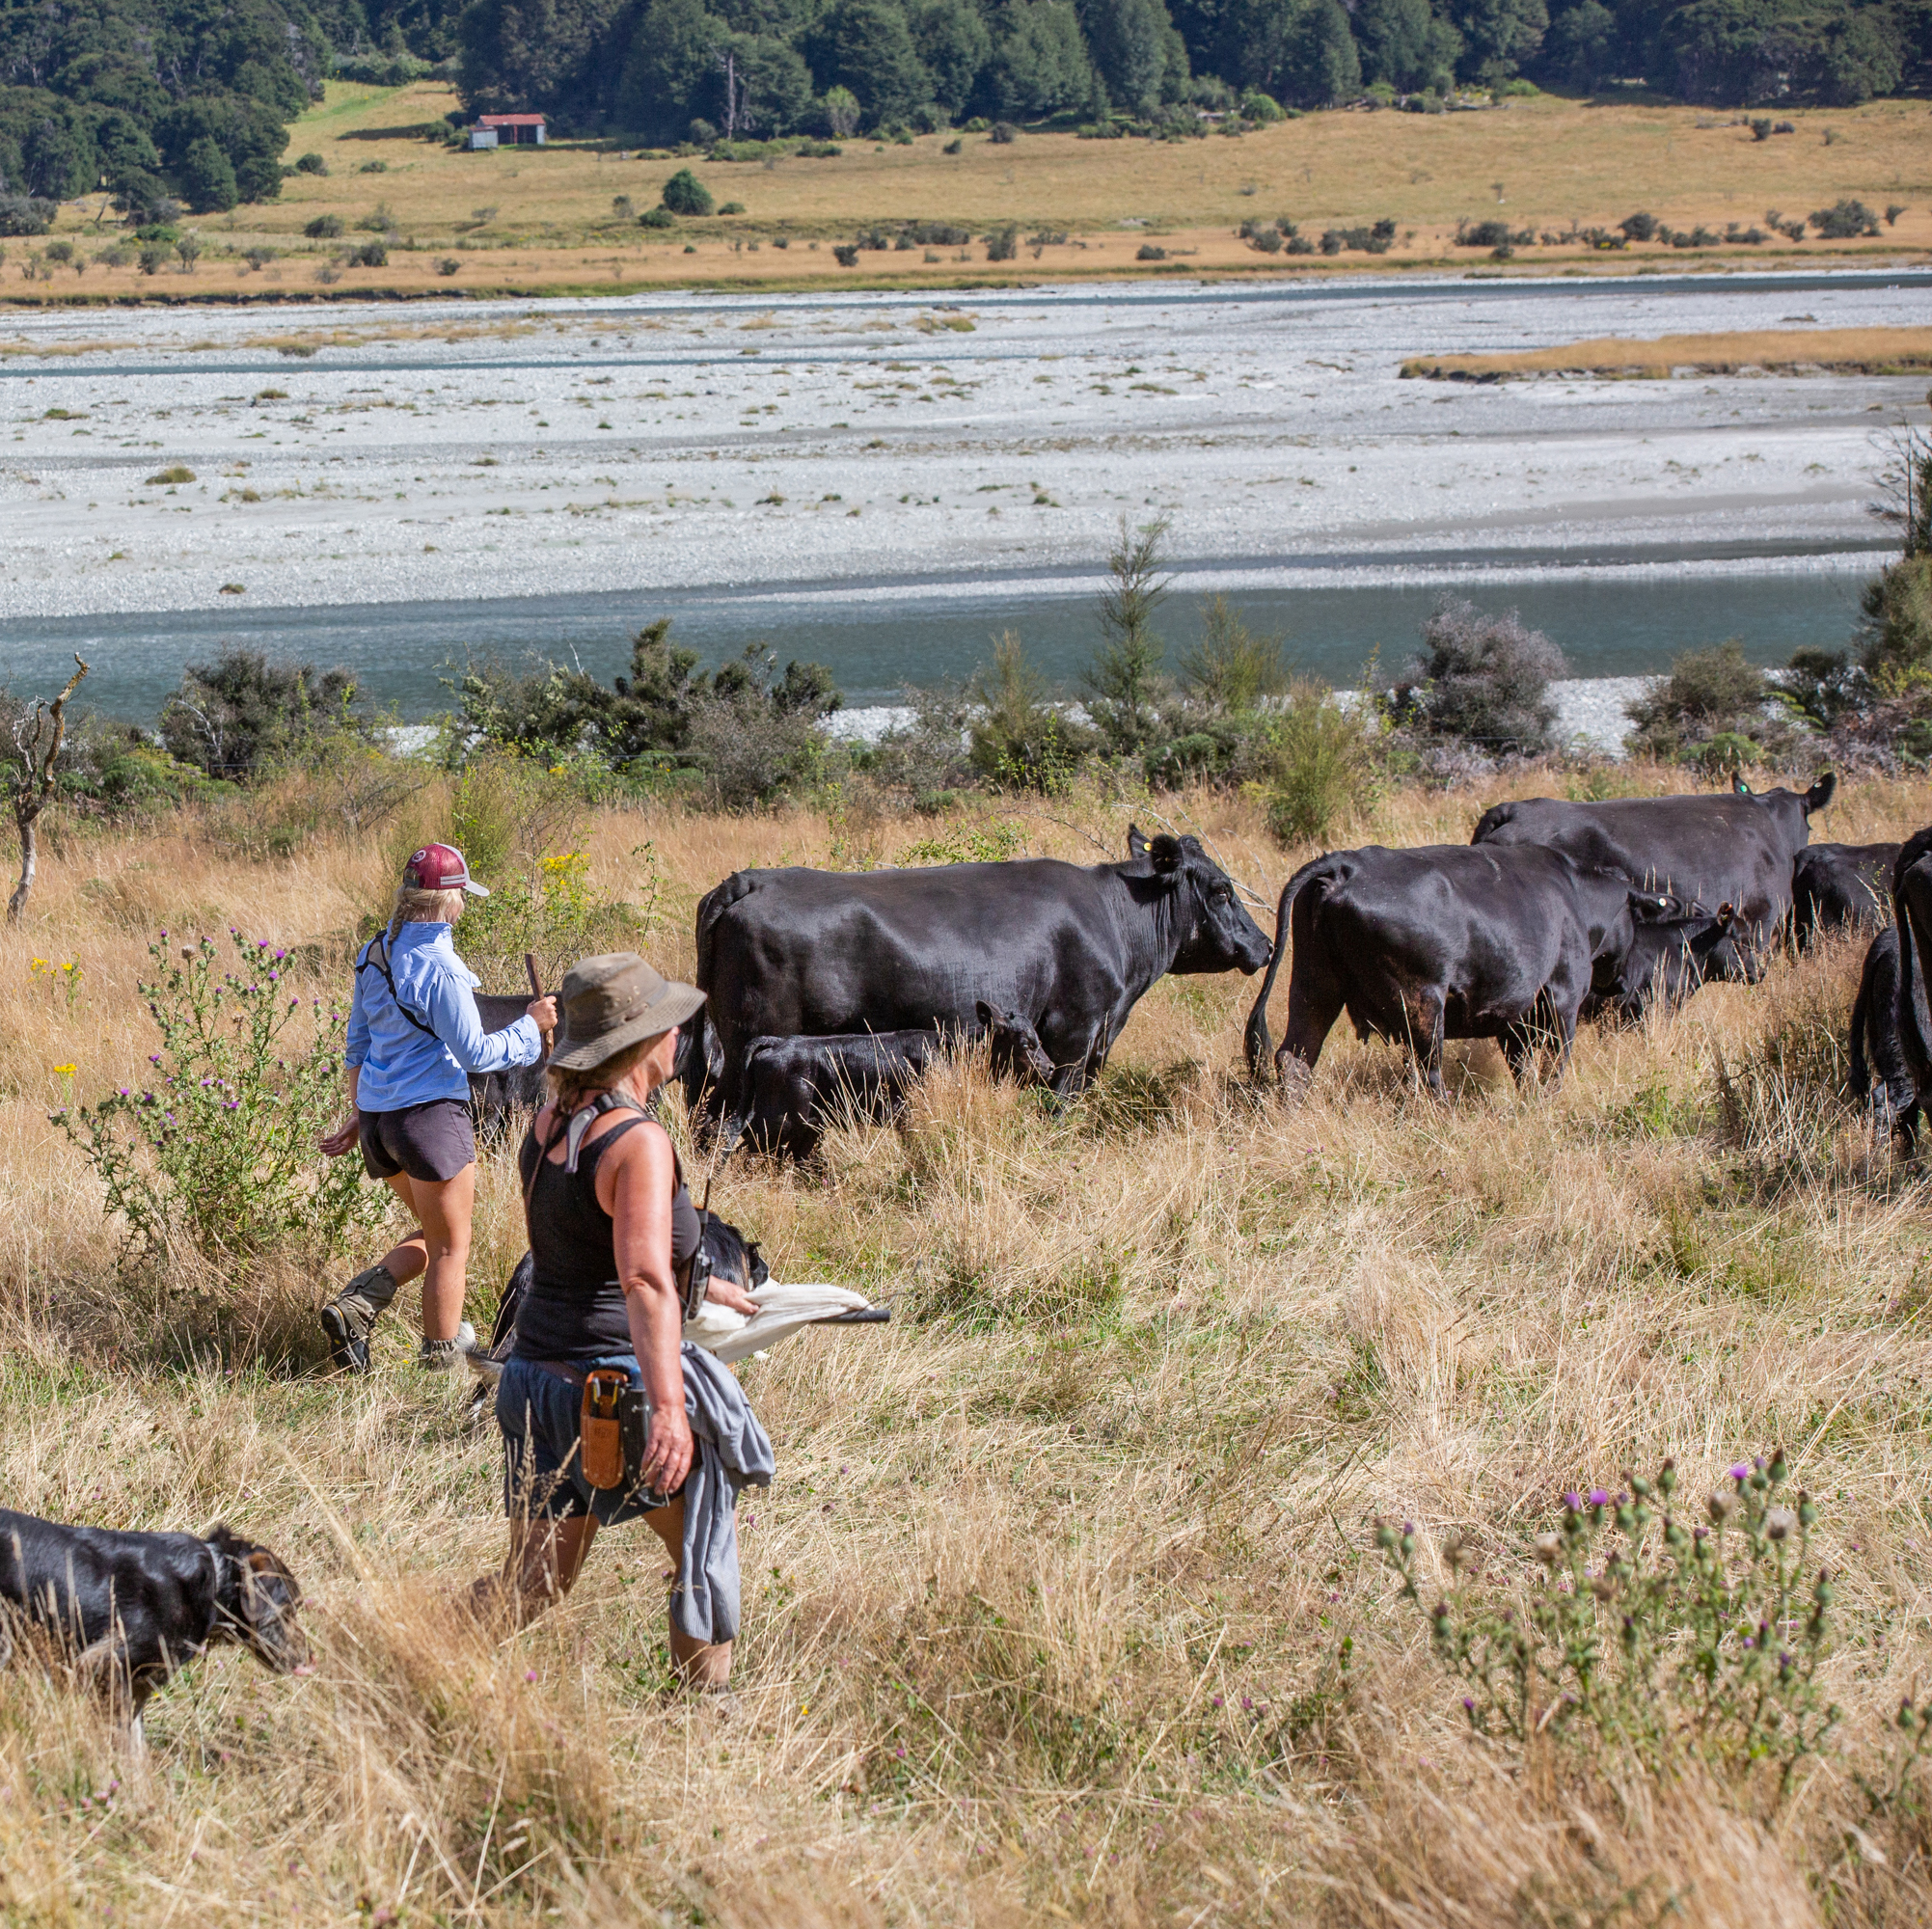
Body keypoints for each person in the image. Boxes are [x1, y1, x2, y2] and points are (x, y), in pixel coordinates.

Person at [476, 953, 772, 1692]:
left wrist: (703, 1286)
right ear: (640, 1044)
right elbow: (639, 1279)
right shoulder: (637, 1142)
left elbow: (586, 1248)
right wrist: (668, 1407)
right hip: (608, 1392)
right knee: (703, 1547)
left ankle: (410, 1657)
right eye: (669, 1024)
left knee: (531, 1585)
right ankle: (708, 1718)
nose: (679, 1036)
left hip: (533, 1381)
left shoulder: (551, 1122)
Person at [319, 843, 556, 1373]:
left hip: (380, 1124)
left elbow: (358, 1045)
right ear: (448, 901)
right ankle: (440, 1367)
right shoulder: (442, 969)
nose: (464, 906)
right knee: (452, 1247)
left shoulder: (375, 952)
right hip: (428, 1120)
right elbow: (476, 1055)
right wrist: (531, 1026)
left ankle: (359, 1303)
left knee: (438, 1232)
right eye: (462, 897)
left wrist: (360, 1112)